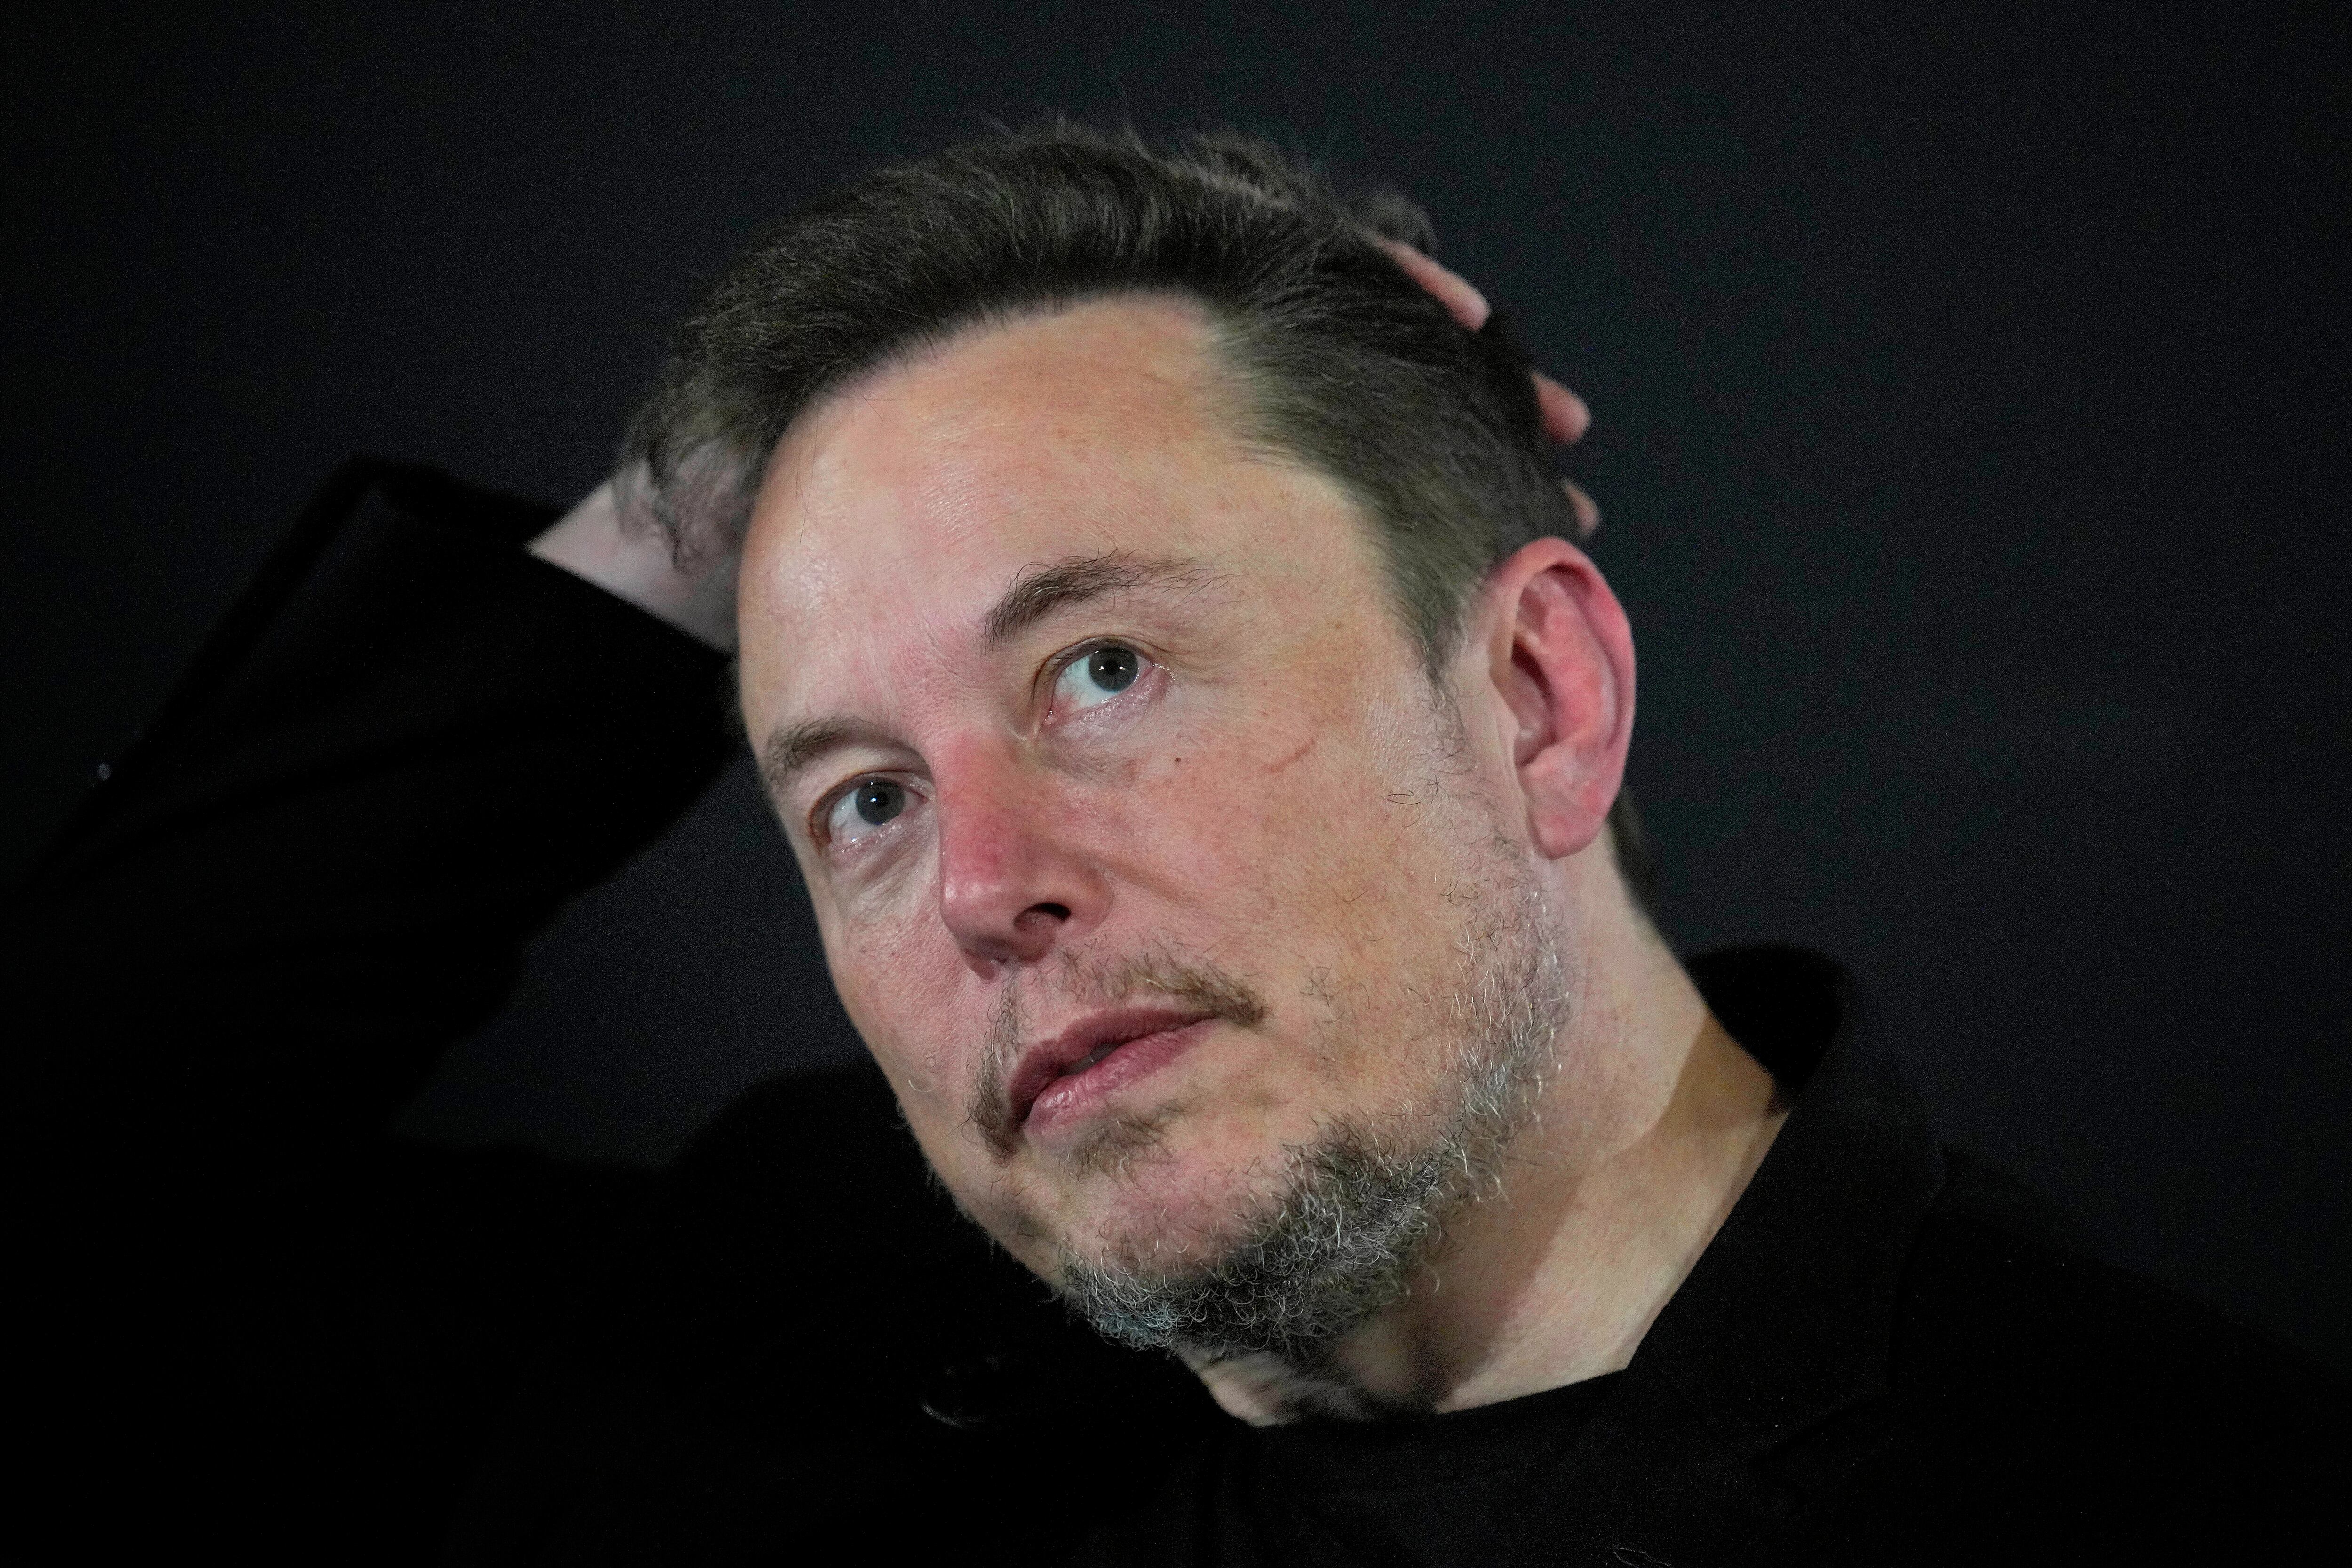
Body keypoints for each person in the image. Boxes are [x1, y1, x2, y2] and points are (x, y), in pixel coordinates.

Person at [12, 125, 2338, 1565]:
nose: (977, 884)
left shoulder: (2160, 1501)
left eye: (1101, 669)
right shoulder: (751, 1313)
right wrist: (695, 520)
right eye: (862, 796)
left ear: (1538, 696)